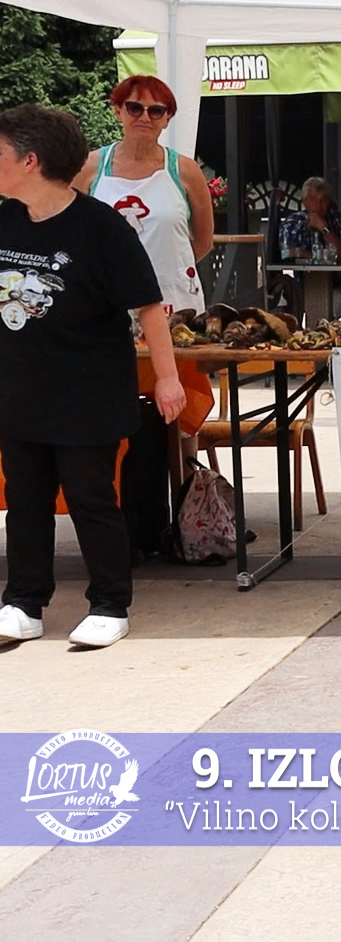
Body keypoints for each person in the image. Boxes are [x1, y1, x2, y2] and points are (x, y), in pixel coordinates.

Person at [0, 104, 187, 649]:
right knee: (25, 502)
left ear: (31, 161)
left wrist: (168, 379)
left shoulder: (101, 227)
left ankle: (109, 603)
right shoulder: (6, 218)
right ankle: (23, 602)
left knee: (91, 499)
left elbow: (149, 307)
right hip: (19, 391)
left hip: (88, 392)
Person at [72, 75, 215, 315]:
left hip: (174, 300)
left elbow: (204, 240)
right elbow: (73, 234)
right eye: (135, 108)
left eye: (156, 111)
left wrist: (172, 269)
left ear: (167, 119)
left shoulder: (186, 171)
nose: (145, 117)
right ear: (118, 111)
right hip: (106, 298)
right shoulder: (89, 168)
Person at [279, 176, 341, 263]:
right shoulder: (292, 223)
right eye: (313, 200)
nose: (318, 205)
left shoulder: (339, 220)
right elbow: (287, 255)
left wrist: (324, 229)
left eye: (323, 200)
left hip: (335, 272)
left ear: (329, 201)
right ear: (304, 201)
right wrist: (323, 257)